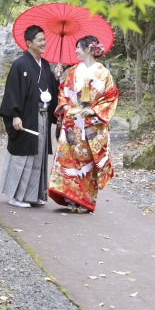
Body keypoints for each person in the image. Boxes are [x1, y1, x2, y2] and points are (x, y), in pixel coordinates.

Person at [48, 35, 119, 214]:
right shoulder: (72, 71)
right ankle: (70, 199)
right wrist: (65, 105)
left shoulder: (104, 73)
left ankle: (85, 201)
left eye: (78, 47)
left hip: (91, 124)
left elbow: (110, 96)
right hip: (72, 122)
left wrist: (94, 111)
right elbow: (62, 93)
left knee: (88, 162)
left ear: (88, 49)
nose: (76, 51)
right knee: (69, 160)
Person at [0, 24, 60, 208]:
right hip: (26, 116)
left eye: (44, 39)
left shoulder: (45, 65)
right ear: (29, 43)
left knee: (38, 155)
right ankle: (15, 196)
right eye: (40, 40)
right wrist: (15, 115)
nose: (44, 43)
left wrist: (56, 78)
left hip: (42, 116)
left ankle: (33, 195)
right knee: (23, 155)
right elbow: (12, 91)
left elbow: (51, 90)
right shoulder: (20, 64)